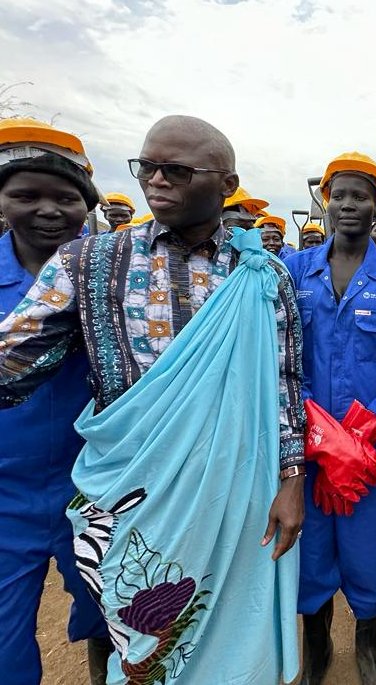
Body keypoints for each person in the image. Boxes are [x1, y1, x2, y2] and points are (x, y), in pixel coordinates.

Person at [0, 115, 305, 684]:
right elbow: (12, 360)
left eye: (178, 170)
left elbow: (285, 382)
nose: (157, 181)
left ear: (227, 183)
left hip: (234, 487)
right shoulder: (88, 263)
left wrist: (291, 478)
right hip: (129, 489)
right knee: (144, 634)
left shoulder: (263, 275)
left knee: (232, 619)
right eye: (149, 167)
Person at [284, 152, 376, 685]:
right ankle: (316, 646)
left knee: (371, 554)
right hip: (306, 449)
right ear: (324, 201)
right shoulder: (294, 270)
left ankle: (366, 646)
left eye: (359, 196)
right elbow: (282, 355)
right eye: (338, 194)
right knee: (310, 553)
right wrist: (320, 436)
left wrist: (359, 436)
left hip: (372, 454)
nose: (346, 204)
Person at [0, 118, 111, 685]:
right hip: (4, 492)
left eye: (65, 198)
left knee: (110, 613)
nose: (47, 210)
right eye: (26, 195)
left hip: (94, 482)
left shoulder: (111, 279)